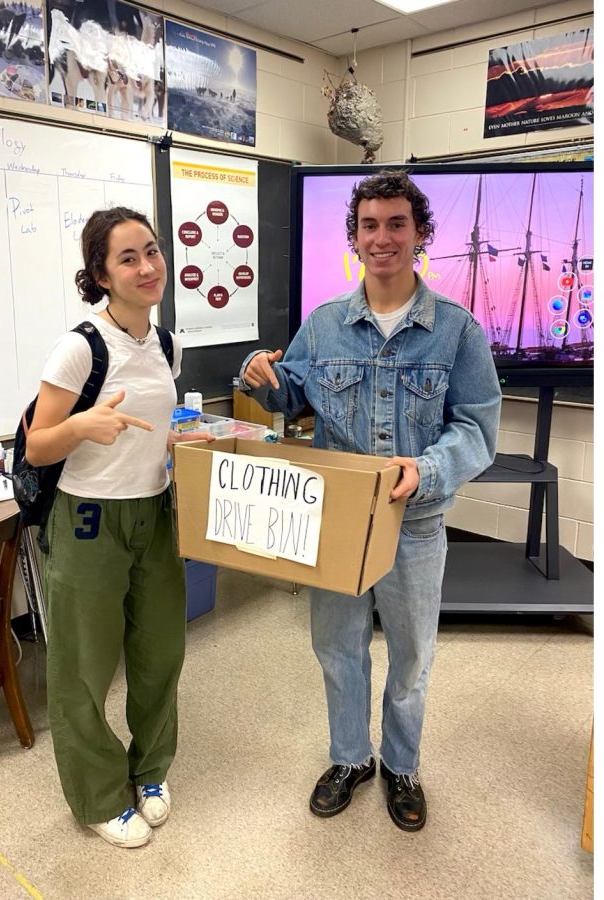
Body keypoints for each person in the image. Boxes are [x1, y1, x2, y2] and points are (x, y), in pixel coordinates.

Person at [239, 170, 501, 832]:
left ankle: (401, 765)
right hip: (336, 522)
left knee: (411, 658)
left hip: (413, 527)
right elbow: (289, 395)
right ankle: (350, 758)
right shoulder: (324, 326)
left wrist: (427, 468)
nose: (380, 238)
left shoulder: (457, 332)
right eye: (368, 225)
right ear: (353, 238)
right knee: (337, 648)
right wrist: (260, 373)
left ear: (419, 236)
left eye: (395, 224)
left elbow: (477, 429)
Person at [26, 206, 213, 848]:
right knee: (83, 667)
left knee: (161, 653)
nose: (147, 267)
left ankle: (151, 770)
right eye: (128, 258)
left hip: (154, 512)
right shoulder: (80, 347)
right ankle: (101, 795)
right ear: (101, 274)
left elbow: (158, 425)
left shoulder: (166, 344)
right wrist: (82, 426)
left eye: (153, 252)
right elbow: (37, 446)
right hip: (87, 519)